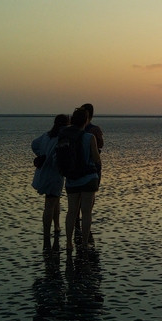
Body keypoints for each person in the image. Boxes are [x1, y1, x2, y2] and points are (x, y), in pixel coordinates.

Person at [63, 108, 101, 252]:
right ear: (86, 121)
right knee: (86, 212)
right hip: (88, 179)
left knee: (71, 212)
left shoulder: (64, 136)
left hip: (71, 179)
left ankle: (68, 243)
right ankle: (84, 243)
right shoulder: (89, 137)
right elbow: (96, 158)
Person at [32, 114, 69, 249]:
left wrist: (41, 154)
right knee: (50, 203)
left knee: (55, 200)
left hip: (44, 174)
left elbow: (34, 144)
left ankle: (57, 227)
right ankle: (47, 235)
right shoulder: (61, 138)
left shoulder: (46, 135)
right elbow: (58, 157)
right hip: (54, 175)